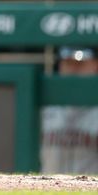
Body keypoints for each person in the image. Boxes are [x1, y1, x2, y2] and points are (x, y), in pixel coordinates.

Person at [41, 47, 98, 175]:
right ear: (60, 66)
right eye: (68, 63)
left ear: (95, 65)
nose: (73, 69)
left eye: (80, 64)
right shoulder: (43, 110)